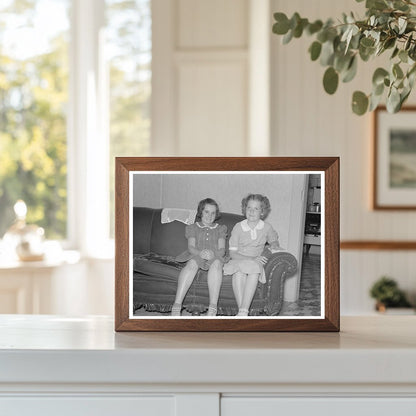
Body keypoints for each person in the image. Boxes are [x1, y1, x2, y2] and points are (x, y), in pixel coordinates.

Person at [223, 194, 280, 316]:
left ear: (262, 212)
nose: (252, 211)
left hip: (255, 262)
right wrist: (252, 258)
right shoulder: (238, 227)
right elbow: (233, 253)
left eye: (256, 209)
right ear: (244, 209)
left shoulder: (266, 227)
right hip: (238, 258)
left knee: (254, 270)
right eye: (249, 208)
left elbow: (273, 240)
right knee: (238, 273)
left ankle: (242, 313)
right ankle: (243, 311)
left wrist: (274, 244)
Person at [171, 198, 227, 317]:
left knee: (217, 264)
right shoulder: (193, 227)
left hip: (214, 256)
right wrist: (200, 253)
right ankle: (177, 305)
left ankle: (212, 307)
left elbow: (222, 250)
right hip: (197, 254)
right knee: (192, 264)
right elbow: (191, 247)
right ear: (200, 212)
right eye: (206, 212)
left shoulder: (220, 228)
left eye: (213, 213)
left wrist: (214, 254)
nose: (210, 215)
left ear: (216, 214)